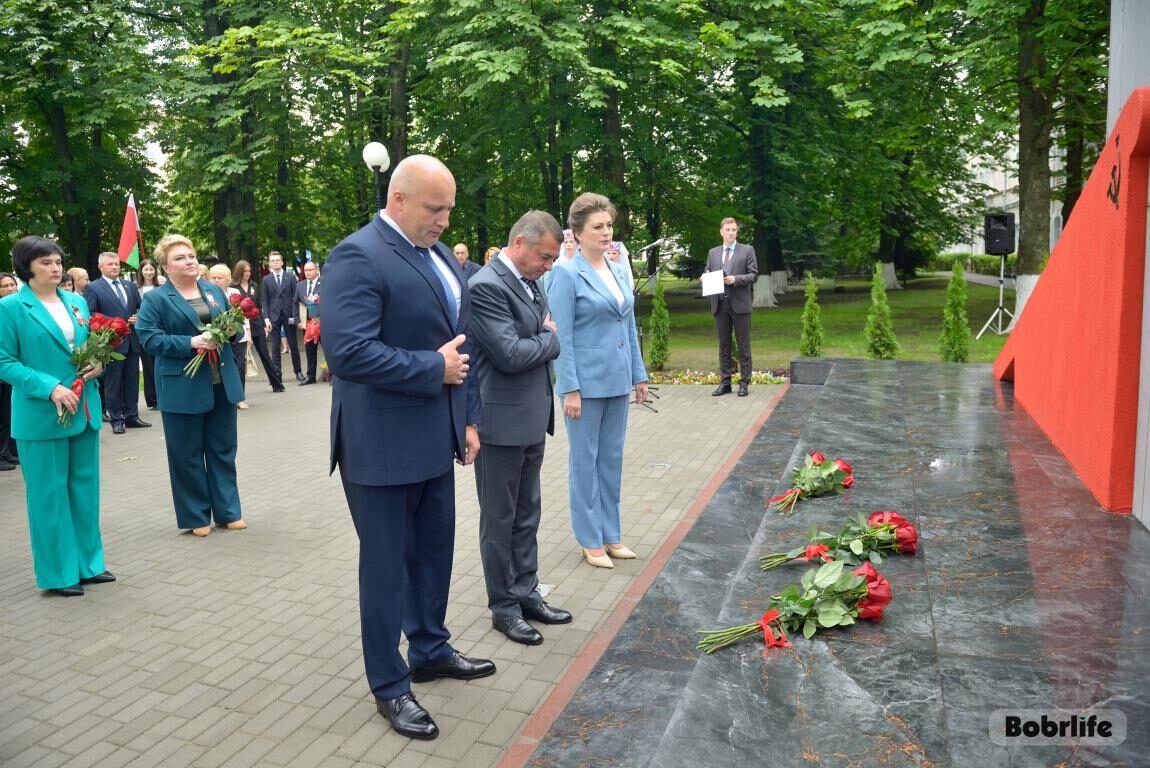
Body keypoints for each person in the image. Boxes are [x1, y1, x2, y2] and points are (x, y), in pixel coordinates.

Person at [323, 154, 492, 741]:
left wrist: (467, 418)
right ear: (397, 199)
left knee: (432, 556)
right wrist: (431, 369)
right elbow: (347, 353)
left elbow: (460, 349)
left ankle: (429, 648)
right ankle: (389, 686)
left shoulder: (439, 255)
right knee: (386, 570)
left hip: (434, 440)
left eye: (448, 209)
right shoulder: (357, 254)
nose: (446, 220)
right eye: (435, 208)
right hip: (381, 446)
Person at [469, 211, 572, 646]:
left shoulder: (532, 281)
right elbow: (510, 354)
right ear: (519, 244)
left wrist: (544, 339)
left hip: (530, 417)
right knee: (500, 518)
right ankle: (504, 607)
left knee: (527, 513)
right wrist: (550, 339)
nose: (550, 265)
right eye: (545, 257)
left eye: (552, 259)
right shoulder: (486, 286)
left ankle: (527, 592)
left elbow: (530, 341)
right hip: (499, 423)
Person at [0, 236, 113, 595]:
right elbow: (5, 362)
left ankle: (89, 564)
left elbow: (89, 346)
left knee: (84, 490)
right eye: (46, 262)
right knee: (49, 496)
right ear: (26, 267)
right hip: (42, 413)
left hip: (84, 407)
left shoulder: (76, 301)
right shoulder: (11, 308)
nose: (55, 268)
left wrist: (97, 363)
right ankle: (59, 574)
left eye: (58, 261)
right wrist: (50, 388)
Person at [547, 192, 648, 569]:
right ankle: (589, 539)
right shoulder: (566, 273)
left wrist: (638, 374)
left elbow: (629, 325)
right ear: (577, 232)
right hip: (584, 387)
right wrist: (569, 388)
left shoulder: (618, 268)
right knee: (584, 462)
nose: (607, 233)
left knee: (612, 459)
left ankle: (611, 535)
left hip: (618, 380)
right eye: (598, 227)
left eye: (609, 225)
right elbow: (563, 337)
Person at [136, 235, 246, 537]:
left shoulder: (212, 291)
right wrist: (190, 342)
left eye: (192, 255)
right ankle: (196, 515)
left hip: (220, 383)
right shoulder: (156, 299)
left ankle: (228, 511)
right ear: (166, 267)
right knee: (187, 454)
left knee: (223, 450)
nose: (190, 261)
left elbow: (229, 328)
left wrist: (233, 330)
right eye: (181, 258)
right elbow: (148, 338)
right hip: (182, 386)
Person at [84, 251, 149, 434]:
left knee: (132, 380)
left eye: (117, 264)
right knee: (113, 382)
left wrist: (139, 317)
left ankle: (132, 415)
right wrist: (114, 322)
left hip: (132, 340)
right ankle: (116, 419)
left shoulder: (130, 285)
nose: (114, 267)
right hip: (111, 343)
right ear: (100, 267)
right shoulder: (94, 288)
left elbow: (141, 307)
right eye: (110, 264)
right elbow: (90, 314)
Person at [707, 217, 758, 397]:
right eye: (728, 229)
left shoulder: (747, 250)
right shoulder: (713, 252)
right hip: (720, 305)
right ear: (721, 232)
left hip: (740, 305)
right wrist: (704, 277)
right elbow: (708, 270)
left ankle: (744, 382)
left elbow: (753, 275)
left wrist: (736, 279)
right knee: (724, 345)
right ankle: (725, 382)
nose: (731, 233)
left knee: (743, 344)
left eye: (734, 230)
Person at [232, 259, 283, 394]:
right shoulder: (233, 287)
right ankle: (239, 392)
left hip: (256, 323)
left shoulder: (253, 285)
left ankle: (276, 383)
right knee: (241, 359)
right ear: (239, 272)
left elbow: (259, 305)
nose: (248, 274)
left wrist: (264, 322)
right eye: (245, 271)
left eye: (249, 271)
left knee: (265, 354)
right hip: (242, 326)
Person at [260, 250, 303, 383]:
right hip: (273, 317)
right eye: (273, 260)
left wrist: (297, 317)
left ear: (282, 262)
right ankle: (277, 375)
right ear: (269, 263)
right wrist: (266, 318)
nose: (275, 262)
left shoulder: (290, 277)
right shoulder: (266, 279)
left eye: (277, 260)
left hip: (288, 315)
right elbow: (265, 300)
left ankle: (298, 372)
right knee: (275, 347)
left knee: (294, 345)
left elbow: (296, 298)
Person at [136, 259, 164, 410]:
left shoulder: (161, 287)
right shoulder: (136, 289)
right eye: (145, 270)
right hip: (143, 332)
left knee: (159, 365)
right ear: (141, 271)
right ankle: (152, 399)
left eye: (151, 269)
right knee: (148, 366)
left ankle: (162, 395)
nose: (148, 272)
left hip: (160, 330)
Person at [0, 272, 21, 470]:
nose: (9, 289)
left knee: (7, 414)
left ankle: (7, 452)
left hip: (9, 373)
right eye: (4, 286)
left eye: (12, 285)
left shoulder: (17, 308)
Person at [294, 260, 322, 385]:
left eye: (310, 270)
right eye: (305, 270)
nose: (307, 272)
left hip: (322, 323)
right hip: (307, 324)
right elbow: (295, 303)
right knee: (310, 351)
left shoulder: (324, 283)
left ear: (316, 270)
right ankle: (311, 376)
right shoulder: (300, 285)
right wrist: (298, 321)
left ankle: (334, 375)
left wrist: (322, 317)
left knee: (328, 349)